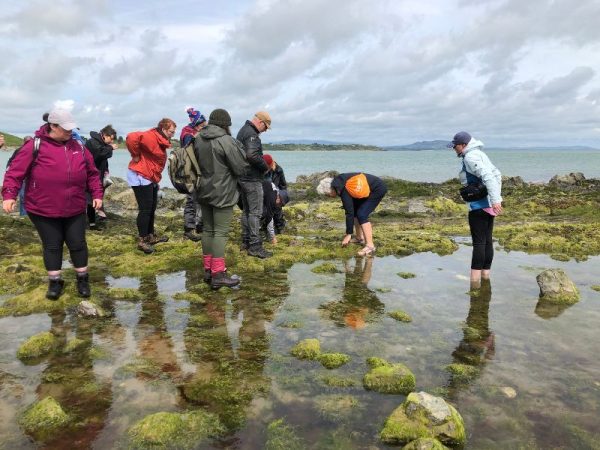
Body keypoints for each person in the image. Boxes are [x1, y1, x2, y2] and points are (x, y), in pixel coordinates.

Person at [2, 109, 103, 300]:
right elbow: (14, 173)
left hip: (74, 206)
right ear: (52, 126)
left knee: (78, 243)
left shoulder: (79, 147)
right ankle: (55, 281)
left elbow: (92, 173)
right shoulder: (35, 145)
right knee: (52, 245)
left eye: (71, 129)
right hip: (43, 208)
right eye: (65, 129)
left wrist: (97, 194)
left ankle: (82, 279)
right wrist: (9, 195)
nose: (69, 132)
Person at [194, 108, 249, 289]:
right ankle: (219, 274)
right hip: (223, 193)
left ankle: (208, 271)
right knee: (220, 232)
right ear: (226, 124)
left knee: (208, 230)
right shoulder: (226, 141)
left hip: (202, 191)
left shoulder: (199, 138)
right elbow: (240, 168)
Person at [448, 131, 502, 287]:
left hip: (479, 206)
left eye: (455, 146)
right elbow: (496, 174)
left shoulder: (471, 157)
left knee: (479, 243)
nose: (454, 149)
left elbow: (488, 176)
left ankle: (474, 281)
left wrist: (496, 200)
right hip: (489, 206)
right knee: (487, 242)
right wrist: (495, 199)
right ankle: (485, 277)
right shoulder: (479, 153)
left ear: (463, 145)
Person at [127, 118, 176, 254]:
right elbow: (131, 137)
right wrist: (135, 155)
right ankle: (142, 240)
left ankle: (151, 235)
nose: (173, 134)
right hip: (140, 175)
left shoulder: (160, 139)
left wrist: (155, 180)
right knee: (145, 209)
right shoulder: (150, 136)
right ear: (164, 129)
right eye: (171, 131)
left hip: (150, 176)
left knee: (152, 207)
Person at [317, 173, 387, 257]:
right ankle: (359, 237)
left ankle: (370, 246)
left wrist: (348, 234)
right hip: (367, 188)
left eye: (327, 195)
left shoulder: (344, 189)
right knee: (356, 210)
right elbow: (352, 211)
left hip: (377, 189)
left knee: (362, 214)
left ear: (331, 189)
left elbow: (349, 213)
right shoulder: (339, 182)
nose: (329, 197)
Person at [236, 111, 273, 259]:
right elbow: (251, 155)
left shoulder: (242, 131)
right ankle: (255, 245)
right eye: (265, 127)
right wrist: (265, 167)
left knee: (246, 211)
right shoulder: (252, 134)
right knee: (255, 212)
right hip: (251, 178)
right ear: (260, 122)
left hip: (242, 177)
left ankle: (246, 241)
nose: (264, 131)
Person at [179, 108, 206, 242]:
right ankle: (189, 229)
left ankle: (199, 225)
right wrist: (196, 136)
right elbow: (186, 145)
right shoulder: (187, 132)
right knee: (192, 199)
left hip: (201, 170)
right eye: (201, 125)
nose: (203, 127)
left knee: (202, 199)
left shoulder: (199, 131)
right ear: (196, 123)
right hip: (190, 170)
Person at [85, 124, 117, 228]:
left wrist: (106, 173)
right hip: (88, 175)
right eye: (111, 139)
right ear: (104, 135)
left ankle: (93, 223)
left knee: (93, 199)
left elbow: (105, 156)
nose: (111, 141)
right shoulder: (92, 142)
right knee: (89, 199)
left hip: (99, 174)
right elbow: (99, 154)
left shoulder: (101, 143)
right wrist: (110, 147)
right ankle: (89, 222)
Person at [263, 153, 288, 234]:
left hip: (276, 193)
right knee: (264, 210)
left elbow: (283, 186)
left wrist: (279, 196)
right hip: (264, 194)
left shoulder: (278, 170)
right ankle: (265, 227)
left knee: (277, 208)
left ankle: (280, 227)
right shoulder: (260, 170)